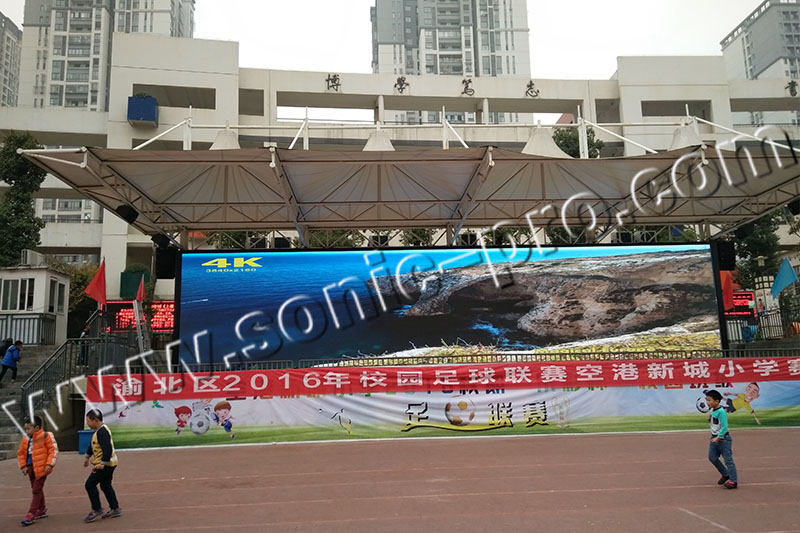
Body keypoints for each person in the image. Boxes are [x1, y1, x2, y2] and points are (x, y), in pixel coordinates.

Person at [17, 415, 59, 526]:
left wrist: (50, 464)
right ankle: (41, 509)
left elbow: (53, 450)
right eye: (25, 429)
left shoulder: (46, 436)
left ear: (36, 428)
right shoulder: (25, 439)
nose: (26, 431)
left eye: (28, 428)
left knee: (36, 489)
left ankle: (31, 513)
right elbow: (21, 453)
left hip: (42, 468)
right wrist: (23, 466)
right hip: (30, 468)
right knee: (36, 489)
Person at [83, 409, 122, 522]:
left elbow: (107, 448)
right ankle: (115, 508)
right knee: (105, 485)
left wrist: (102, 463)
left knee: (89, 484)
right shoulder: (98, 432)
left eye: (88, 421)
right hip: (110, 464)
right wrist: (87, 456)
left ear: (95, 420)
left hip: (106, 465)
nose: (87, 424)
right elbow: (92, 445)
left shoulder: (102, 432)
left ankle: (97, 509)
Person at [705, 390, 738, 489]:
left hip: (723, 440)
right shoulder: (713, 411)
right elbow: (716, 424)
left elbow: (724, 427)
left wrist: (719, 437)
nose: (707, 402)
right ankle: (725, 474)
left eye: (709, 400)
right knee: (712, 457)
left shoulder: (722, 412)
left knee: (728, 460)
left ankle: (733, 481)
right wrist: (709, 419)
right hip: (714, 438)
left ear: (717, 401)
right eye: (707, 400)